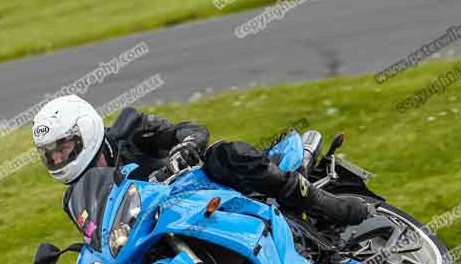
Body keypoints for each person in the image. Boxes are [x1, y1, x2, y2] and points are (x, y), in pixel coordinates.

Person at [31, 95, 369, 228]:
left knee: (223, 154)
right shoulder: (77, 197)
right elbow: (101, 232)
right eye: (52, 153)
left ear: (85, 132)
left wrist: (186, 147)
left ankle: (324, 203)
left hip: (200, 188)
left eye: (63, 147)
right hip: (159, 226)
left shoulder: (129, 132)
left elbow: (189, 130)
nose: (60, 157)